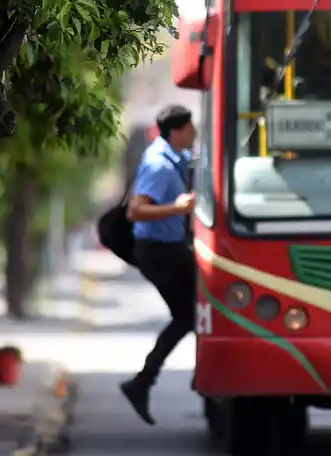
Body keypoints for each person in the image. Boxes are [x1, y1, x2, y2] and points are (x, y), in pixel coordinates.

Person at [120, 104, 196, 425]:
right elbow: (135, 211)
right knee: (192, 313)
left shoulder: (177, 157)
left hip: (171, 247)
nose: (195, 133)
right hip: (158, 251)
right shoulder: (158, 165)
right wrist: (177, 208)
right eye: (190, 128)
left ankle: (143, 382)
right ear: (177, 131)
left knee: (196, 313)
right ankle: (142, 382)